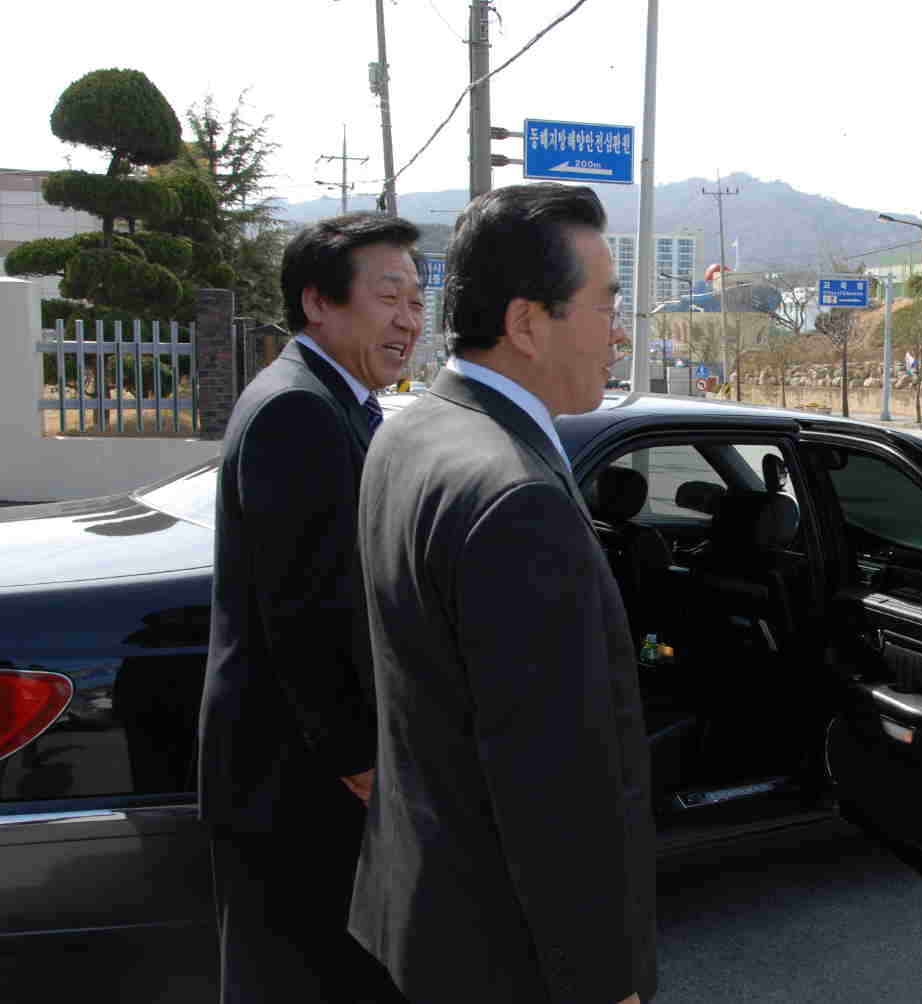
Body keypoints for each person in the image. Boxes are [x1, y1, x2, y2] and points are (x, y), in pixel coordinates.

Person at [350, 183, 653, 1004]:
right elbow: (552, 784)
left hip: (428, 913)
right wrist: (602, 983)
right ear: (526, 323)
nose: (621, 332)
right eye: (606, 305)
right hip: (505, 956)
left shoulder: (410, 431)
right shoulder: (516, 495)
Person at [198, 212, 422, 1003]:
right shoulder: (298, 410)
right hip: (295, 780)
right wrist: (359, 758)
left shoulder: (337, 400)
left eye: (417, 300)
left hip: (302, 769)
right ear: (318, 302)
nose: (409, 320)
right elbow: (305, 609)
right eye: (388, 297)